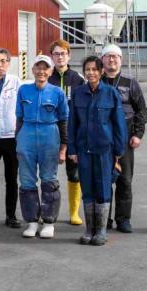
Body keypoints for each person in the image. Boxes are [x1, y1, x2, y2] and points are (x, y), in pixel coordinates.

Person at [68, 56, 127, 246]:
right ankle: (89, 229)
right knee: (87, 189)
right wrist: (72, 149)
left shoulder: (111, 94)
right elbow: (72, 124)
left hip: (104, 150)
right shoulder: (78, 94)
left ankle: (101, 231)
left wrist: (118, 150)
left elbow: (119, 124)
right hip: (83, 149)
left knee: (102, 188)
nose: (90, 73)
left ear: (101, 71)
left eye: (94, 69)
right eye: (87, 69)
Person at [16, 55, 68, 239]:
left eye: (45, 68)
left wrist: (63, 148)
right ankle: (31, 222)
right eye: (38, 67)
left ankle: (48, 222)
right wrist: (19, 141)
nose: (41, 71)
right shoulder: (23, 90)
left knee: (49, 180)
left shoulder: (57, 93)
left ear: (51, 71)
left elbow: (63, 121)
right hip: (27, 134)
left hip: (49, 134)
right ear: (32, 70)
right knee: (27, 180)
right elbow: (19, 118)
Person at [100, 43, 147, 233]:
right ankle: (104, 218)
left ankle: (123, 219)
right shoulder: (97, 82)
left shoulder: (130, 83)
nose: (111, 60)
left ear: (121, 60)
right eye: (108, 56)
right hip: (103, 138)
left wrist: (138, 134)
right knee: (104, 180)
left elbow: (142, 111)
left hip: (125, 137)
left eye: (115, 57)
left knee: (124, 180)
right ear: (102, 59)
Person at [49, 39, 85, 225]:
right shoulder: (47, 78)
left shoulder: (77, 79)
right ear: (51, 57)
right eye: (56, 54)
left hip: (72, 134)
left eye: (63, 53)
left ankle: (74, 213)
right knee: (49, 175)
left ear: (69, 55)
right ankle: (48, 211)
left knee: (75, 174)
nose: (60, 57)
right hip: (51, 133)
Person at [0, 48, 22, 229]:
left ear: (8, 63)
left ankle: (11, 215)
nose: (0, 64)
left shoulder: (16, 82)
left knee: (11, 179)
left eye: (3, 61)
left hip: (11, 137)